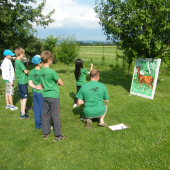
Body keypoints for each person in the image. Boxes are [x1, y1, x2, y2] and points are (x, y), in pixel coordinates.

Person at [40, 50, 66, 141]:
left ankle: (45, 133)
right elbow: (61, 83)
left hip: (45, 95)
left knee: (45, 114)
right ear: (49, 60)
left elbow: (43, 83)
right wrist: (56, 82)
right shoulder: (52, 72)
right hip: (53, 96)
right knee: (55, 115)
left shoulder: (41, 71)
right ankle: (58, 135)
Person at [29, 55, 43, 129]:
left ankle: (38, 125)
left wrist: (34, 87)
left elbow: (30, 82)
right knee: (43, 109)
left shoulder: (31, 71)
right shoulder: (42, 72)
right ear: (39, 63)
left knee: (36, 109)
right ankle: (45, 124)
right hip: (41, 93)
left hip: (35, 92)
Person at [15, 47, 29, 119]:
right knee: (25, 98)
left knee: (21, 97)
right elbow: (25, 71)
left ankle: (22, 110)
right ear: (20, 54)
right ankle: (23, 114)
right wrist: (28, 72)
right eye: (23, 54)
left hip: (20, 82)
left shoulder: (16, 61)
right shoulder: (20, 62)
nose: (23, 55)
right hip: (23, 82)